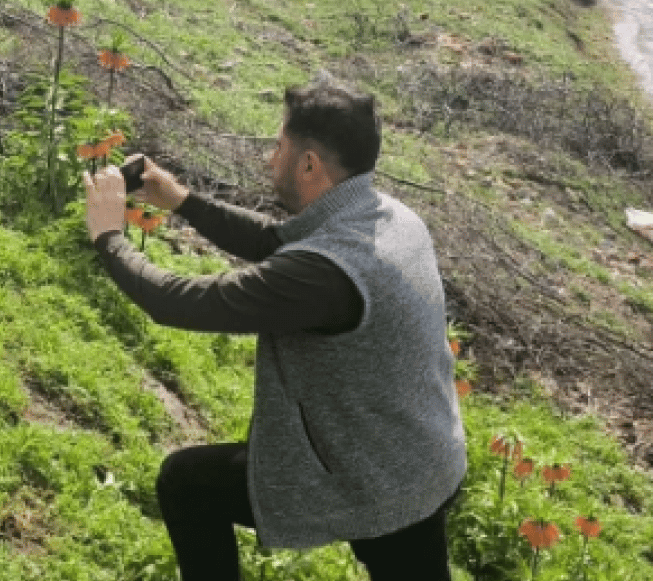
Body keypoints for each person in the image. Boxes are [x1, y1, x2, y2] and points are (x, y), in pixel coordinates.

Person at [81, 75, 467, 581]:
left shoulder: (327, 272)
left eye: (278, 145)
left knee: (187, 484)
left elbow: (184, 303)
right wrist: (182, 201)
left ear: (309, 164)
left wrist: (109, 236)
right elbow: (279, 240)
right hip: (424, 452)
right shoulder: (389, 217)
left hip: (375, 475)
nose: (269, 157)